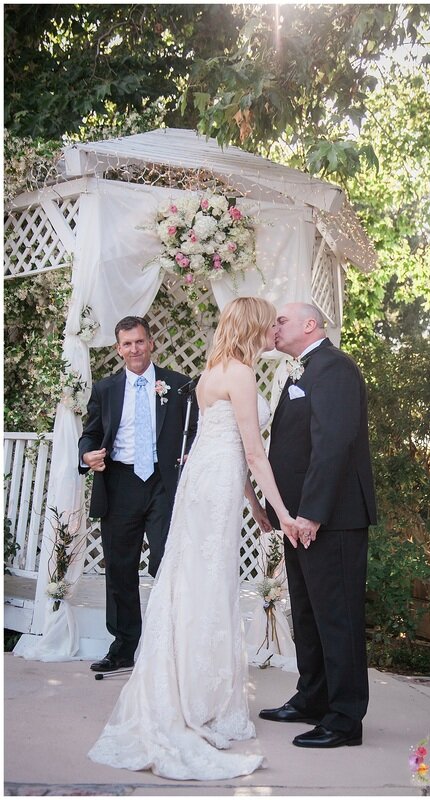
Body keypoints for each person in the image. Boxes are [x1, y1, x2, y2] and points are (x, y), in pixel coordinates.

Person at [88, 297, 303, 781]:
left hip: (203, 485)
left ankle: (189, 688)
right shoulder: (241, 374)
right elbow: (253, 452)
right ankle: (198, 698)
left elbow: (222, 444)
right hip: (218, 484)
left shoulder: (210, 373)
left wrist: (253, 505)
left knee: (194, 584)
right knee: (208, 586)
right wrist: (282, 511)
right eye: (269, 325)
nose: (273, 332)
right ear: (253, 327)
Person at [260, 302, 377, 748]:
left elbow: (333, 442)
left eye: (282, 320)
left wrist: (311, 511)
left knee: (338, 618)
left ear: (310, 325)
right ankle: (312, 697)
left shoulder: (335, 367)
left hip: (332, 518)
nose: (275, 326)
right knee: (308, 613)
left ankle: (345, 720)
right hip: (301, 520)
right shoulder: (303, 370)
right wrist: (285, 513)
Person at [79, 315, 197, 673]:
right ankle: (124, 646)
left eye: (140, 341)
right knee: (119, 567)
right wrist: (87, 455)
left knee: (167, 560)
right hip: (119, 483)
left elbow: (194, 428)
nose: (134, 349)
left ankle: (169, 644)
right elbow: (91, 432)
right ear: (118, 348)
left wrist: (192, 452)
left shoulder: (178, 385)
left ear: (151, 343)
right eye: (127, 343)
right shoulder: (105, 389)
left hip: (163, 483)